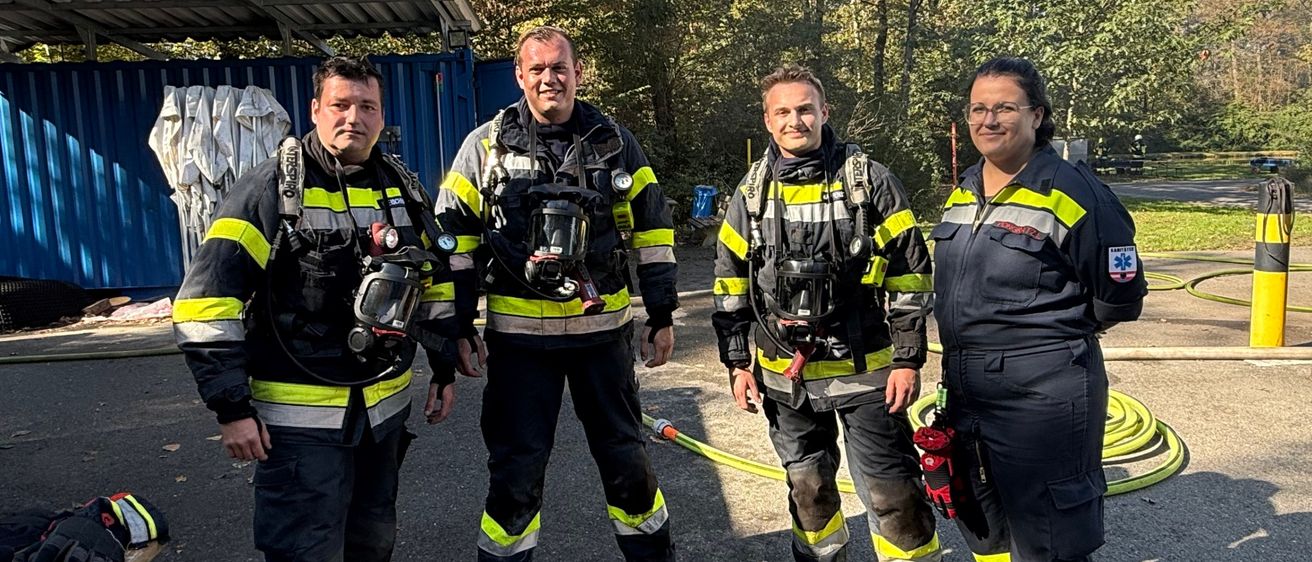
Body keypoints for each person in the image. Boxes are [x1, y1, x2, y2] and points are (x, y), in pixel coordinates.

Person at [172, 55, 459, 561]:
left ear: (381, 113)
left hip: (383, 416)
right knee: (306, 551)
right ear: (315, 110)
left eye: (367, 106)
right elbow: (205, 303)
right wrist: (231, 409)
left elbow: (431, 281)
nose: (354, 118)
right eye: (340, 105)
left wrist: (443, 365)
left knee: (372, 543)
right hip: (299, 426)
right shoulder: (270, 190)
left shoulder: (402, 188)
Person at [433, 26, 678, 561]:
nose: (550, 78)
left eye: (560, 67)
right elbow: (455, 242)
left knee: (627, 464)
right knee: (516, 472)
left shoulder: (614, 142)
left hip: (603, 339)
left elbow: (653, 230)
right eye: (537, 69)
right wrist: (457, 329)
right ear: (520, 76)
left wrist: (661, 314)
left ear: (578, 73)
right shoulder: (485, 146)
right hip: (520, 345)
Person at [712, 64, 940, 562]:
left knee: (893, 494)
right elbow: (730, 283)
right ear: (768, 122)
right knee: (809, 493)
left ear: (823, 112)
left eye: (805, 109)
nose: (796, 120)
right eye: (784, 112)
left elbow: (909, 273)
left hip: (868, 372)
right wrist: (735, 362)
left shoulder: (868, 183)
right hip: (784, 378)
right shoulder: (750, 195)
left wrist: (907, 359)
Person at [931, 57, 1147, 561]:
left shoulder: (1075, 191)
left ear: (1037, 115)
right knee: (984, 524)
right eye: (978, 109)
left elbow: (1119, 297)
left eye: (1005, 107)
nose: (989, 121)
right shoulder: (964, 187)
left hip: (1043, 398)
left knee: (1049, 541)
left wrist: (1049, 343)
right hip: (967, 388)